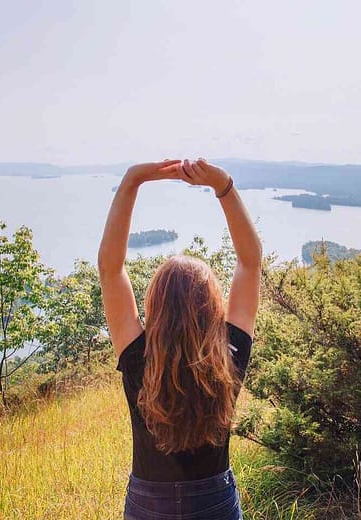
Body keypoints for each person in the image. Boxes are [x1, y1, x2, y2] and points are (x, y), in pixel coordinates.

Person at [98, 158, 262, 520]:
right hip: (214, 501)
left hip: (147, 504)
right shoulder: (229, 351)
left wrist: (132, 181)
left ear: (155, 302)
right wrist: (225, 187)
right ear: (212, 303)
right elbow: (250, 263)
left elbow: (111, 270)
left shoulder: (138, 354)